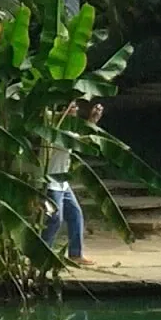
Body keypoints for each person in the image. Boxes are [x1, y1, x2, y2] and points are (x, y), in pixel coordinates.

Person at [42, 98, 103, 267]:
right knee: (56, 219)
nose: (75, 110)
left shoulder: (67, 130)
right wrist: (92, 121)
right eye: (71, 107)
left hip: (62, 183)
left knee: (75, 214)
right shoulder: (55, 131)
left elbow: (82, 139)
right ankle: (42, 252)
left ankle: (75, 253)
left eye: (75, 107)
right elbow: (81, 142)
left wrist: (92, 121)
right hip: (51, 182)